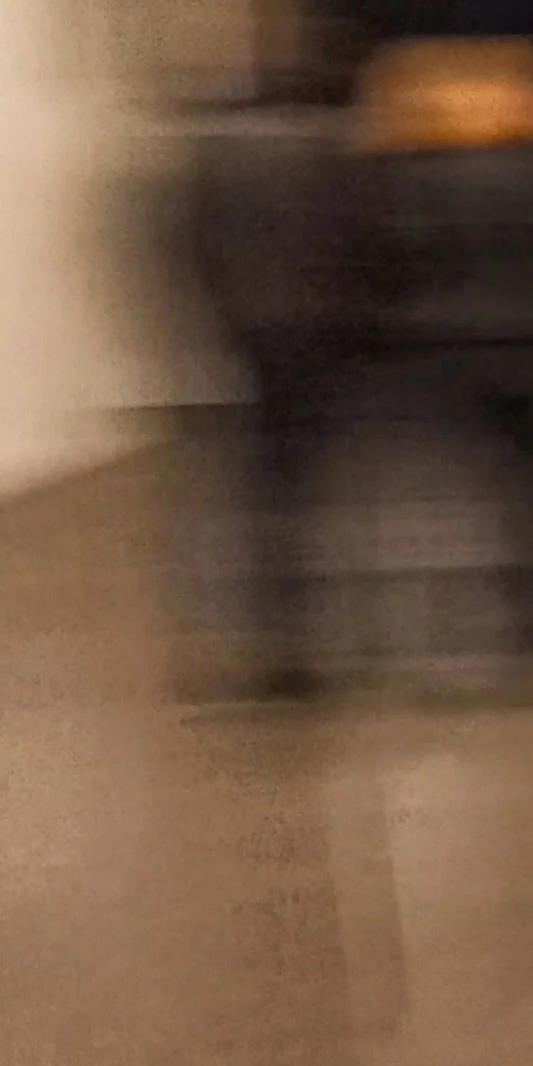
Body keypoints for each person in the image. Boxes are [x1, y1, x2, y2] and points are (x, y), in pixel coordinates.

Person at [355, 39, 533, 669]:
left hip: (465, 347)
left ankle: (510, 596)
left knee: (485, 481)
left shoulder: (423, 175)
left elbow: (403, 260)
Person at [185, 96, 375, 698]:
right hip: (315, 333)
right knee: (312, 486)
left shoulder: (214, 160)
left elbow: (193, 246)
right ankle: (314, 630)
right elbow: (357, 241)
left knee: (264, 487)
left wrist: (221, 319)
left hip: (253, 336)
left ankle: (276, 635)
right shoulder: (326, 153)